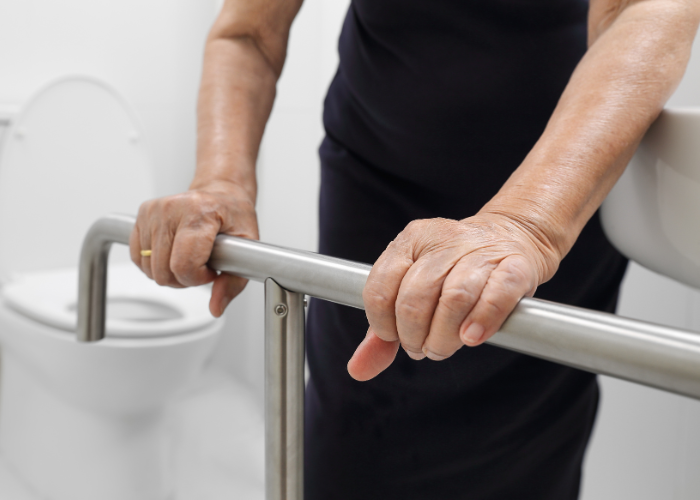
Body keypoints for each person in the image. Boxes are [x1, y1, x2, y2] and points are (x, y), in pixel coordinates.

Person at [130, 0, 700, 498]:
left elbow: (645, 7)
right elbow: (248, 30)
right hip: (381, 188)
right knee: (354, 437)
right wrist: (221, 182)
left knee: (529, 450)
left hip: (560, 190)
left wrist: (525, 223)